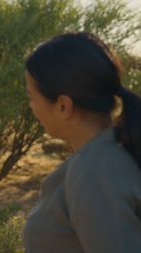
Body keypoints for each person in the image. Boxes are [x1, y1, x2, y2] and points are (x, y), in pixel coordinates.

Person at [23, 32, 141, 253]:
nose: (31, 107)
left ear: (63, 106)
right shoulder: (106, 157)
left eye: (32, 97)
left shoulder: (94, 173)